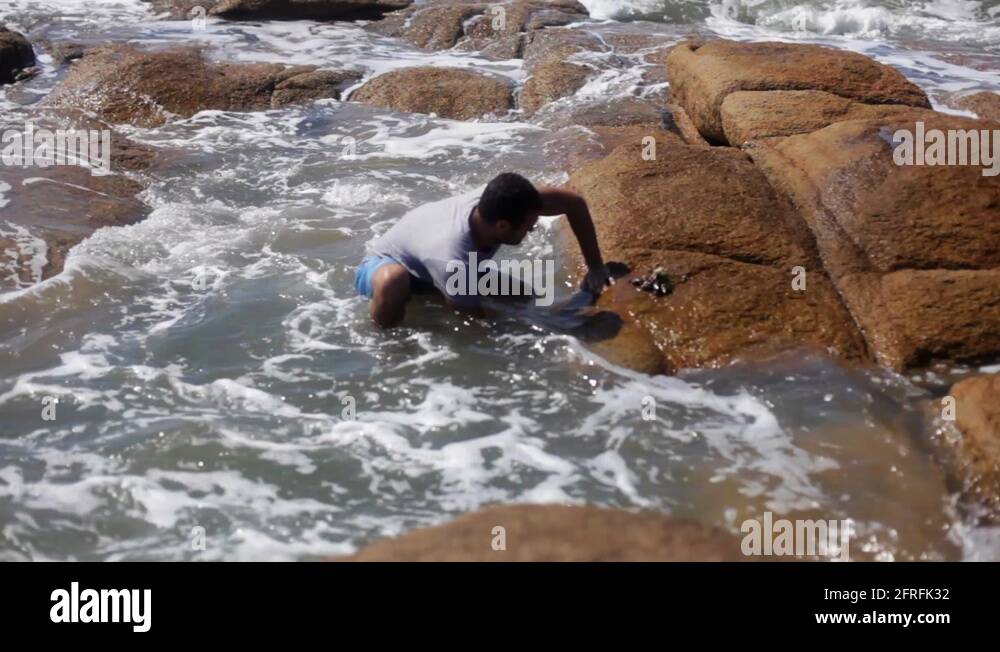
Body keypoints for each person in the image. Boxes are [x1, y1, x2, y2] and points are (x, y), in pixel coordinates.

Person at [354, 172, 612, 328]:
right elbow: (472, 322)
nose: (532, 231)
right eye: (528, 227)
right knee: (393, 281)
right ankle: (385, 343)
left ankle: (438, 296)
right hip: (385, 266)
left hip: (435, 273)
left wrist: (596, 268)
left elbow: (574, 203)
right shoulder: (453, 256)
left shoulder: (505, 202)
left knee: (524, 296)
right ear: (502, 225)